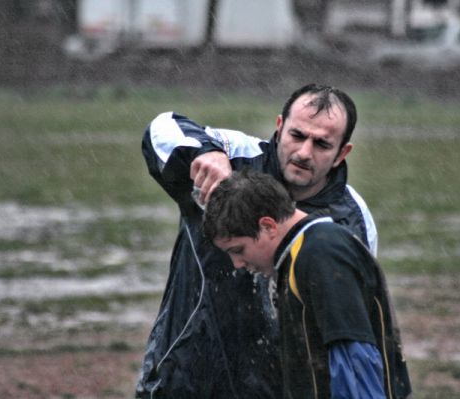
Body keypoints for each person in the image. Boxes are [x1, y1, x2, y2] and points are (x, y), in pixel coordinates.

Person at [137, 84, 378, 398]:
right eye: (297, 135)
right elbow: (161, 129)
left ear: (341, 153)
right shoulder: (235, 160)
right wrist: (205, 153)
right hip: (183, 378)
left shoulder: (351, 221)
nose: (304, 153)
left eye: (321, 144)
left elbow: (348, 330)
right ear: (279, 127)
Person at [204, 169, 412, 399]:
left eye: (238, 250)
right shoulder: (299, 255)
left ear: (268, 227)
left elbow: (354, 358)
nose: (237, 264)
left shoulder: (321, 253)